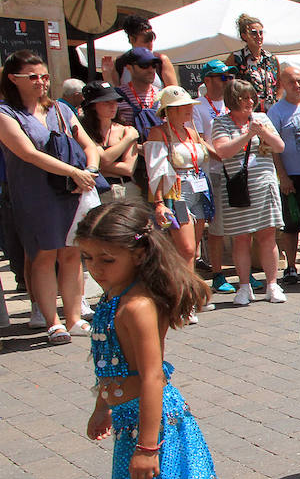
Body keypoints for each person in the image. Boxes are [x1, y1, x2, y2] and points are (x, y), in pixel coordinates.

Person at [75, 200, 226, 479]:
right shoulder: (113, 296)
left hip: (154, 425)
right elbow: (108, 360)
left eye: (107, 259)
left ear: (138, 254)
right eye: (88, 259)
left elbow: (152, 376)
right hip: (129, 420)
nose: (96, 268)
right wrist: (102, 405)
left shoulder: (137, 305)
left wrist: (148, 445)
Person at [0, 50, 101, 343]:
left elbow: (88, 143)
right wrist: (74, 172)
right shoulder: (6, 113)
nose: (41, 82)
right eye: (32, 77)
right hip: (35, 193)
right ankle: (52, 321)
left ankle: (73, 318)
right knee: (43, 255)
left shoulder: (61, 109)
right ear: (13, 79)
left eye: (44, 76)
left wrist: (90, 169)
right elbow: (27, 153)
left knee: (71, 254)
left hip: (72, 190)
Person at [208, 80, 286, 306]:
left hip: (264, 185)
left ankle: (272, 284)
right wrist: (247, 135)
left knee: (267, 236)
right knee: (241, 238)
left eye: (252, 97)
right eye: (244, 98)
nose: (250, 102)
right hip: (237, 188)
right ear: (233, 100)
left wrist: (262, 132)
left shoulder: (261, 118)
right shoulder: (220, 122)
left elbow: (279, 146)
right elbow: (223, 151)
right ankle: (244, 287)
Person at [144, 86, 214, 318]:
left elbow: (203, 157)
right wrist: (158, 203)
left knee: (192, 250)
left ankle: (190, 296)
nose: (188, 110)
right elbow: (154, 172)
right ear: (169, 110)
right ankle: (183, 299)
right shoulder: (158, 133)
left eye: (189, 106)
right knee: (184, 248)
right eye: (182, 107)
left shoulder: (191, 131)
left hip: (198, 188)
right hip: (176, 192)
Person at [268, 64, 300, 283]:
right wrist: (283, 176)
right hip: (293, 176)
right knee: (291, 225)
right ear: (283, 84)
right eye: (292, 82)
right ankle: (290, 266)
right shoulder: (276, 111)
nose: (297, 85)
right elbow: (272, 148)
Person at [79, 80, 141, 205]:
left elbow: (128, 168)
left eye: (115, 102)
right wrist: (128, 139)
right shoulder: (83, 131)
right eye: (106, 102)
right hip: (97, 190)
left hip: (126, 189)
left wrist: (99, 166)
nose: (113, 106)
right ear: (93, 105)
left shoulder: (125, 129)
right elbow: (102, 160)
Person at [103, 15, 176, 91]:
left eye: (151, 39)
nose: (150, 44)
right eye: (145, 41)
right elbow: (116, 95)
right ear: (132, 39)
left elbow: (176, 93)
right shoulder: (120, 62)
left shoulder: (161, 60)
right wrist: (107, 75)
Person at [223, 13, 279, 111]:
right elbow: (224, 81)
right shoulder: (237, 58)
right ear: (244, 36)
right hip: (247, 110)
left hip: (272, 111)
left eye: (261, 33)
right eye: (253, 33)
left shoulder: (271, 58)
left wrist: (278, 99)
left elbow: (280, 83)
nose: (258, 36)